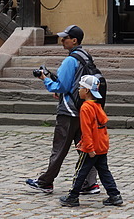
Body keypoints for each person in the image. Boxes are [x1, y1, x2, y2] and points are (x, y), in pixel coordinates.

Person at [25, 25, 99, 195]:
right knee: (86, 148)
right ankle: (90, 183)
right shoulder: (86, 56)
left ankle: (45, 182)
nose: (62, 40)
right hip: (84, 109)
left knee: (59, 148)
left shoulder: (70, 60)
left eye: (65, 38)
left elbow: (62, 86)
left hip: (69, 111)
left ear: (74, 40)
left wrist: (45, 79)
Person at [60, 75, 123, 207]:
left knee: (81, 171)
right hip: (101, 145)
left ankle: (73, 196)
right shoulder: (97, 105)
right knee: (104, 171)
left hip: (91, 148)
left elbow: (87, 130)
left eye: (81, 87)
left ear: (87, 90)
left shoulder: (85, 108)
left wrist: (88, 147)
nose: (78, 90)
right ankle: (114, 195)